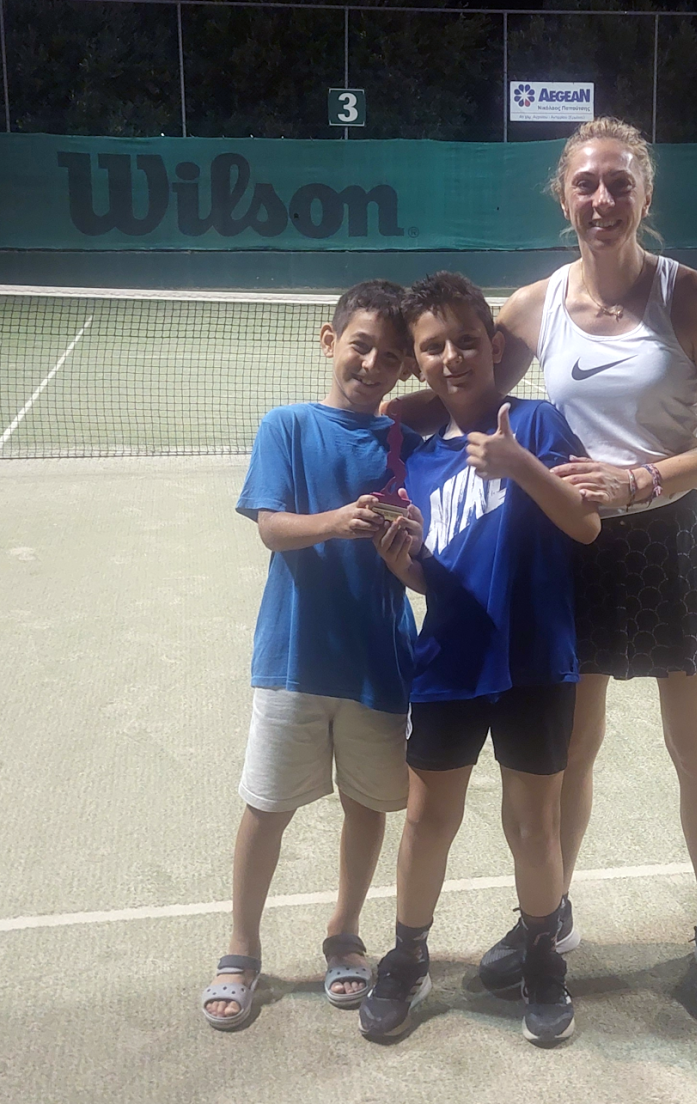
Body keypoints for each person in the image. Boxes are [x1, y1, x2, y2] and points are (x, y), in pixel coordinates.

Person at [389, 118, 697, 1019]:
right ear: (561, 196)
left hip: (673, 547)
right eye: (585, 184)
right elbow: (463, 384)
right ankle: (548, 920)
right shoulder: (533, 305)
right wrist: (355, 420)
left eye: (619, 183)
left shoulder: (692, 297)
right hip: (568, 551)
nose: (602, 199)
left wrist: (643, 478)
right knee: (568, 754)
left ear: (644, 194)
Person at [358, 271, 600, 1046]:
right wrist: (406, 568)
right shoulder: (418, 459)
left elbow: (585, 525)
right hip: (451, 660)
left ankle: (541, 959)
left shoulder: (536, 422)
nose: (452, 357)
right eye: (433, 347)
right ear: (417, 362)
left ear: (493, 346)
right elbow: (436, 573)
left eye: (465, 341)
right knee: (427, 819)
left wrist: (518, 463)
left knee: (534, 827)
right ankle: (407, 956)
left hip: (536, 660)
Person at [201, 281, 423, 1030]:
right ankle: (241, 947)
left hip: (379, 664)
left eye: (390, 357)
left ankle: (344, 932)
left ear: (404, 368)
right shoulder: (288, 426)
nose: (372, 364)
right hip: (294, 656)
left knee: (367, 806)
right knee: (267, 808)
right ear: (329, 341)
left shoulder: (406, 441)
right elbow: (271, 526)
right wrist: (336, 520)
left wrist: (403, 543)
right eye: (360, 345)